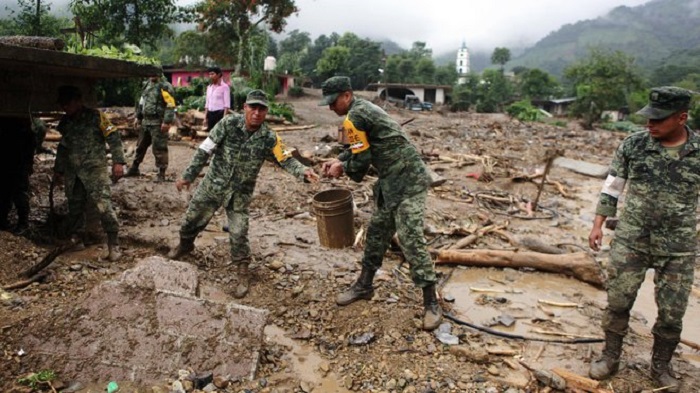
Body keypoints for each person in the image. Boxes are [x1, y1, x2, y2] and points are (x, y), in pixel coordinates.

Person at [588, 86, 696, 392]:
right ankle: (610, 356)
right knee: (618, 300)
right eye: (649, 117)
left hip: (678, 248)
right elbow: (612, 187)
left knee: (672, 312)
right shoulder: (633, 145)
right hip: (631, 239)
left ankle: (661, 366)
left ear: (681, 117)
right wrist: (597, 224)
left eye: (659, 119)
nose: (650, 123)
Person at [318, 76, 443, 331]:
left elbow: (361, 161)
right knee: (376, 233)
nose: (331, 108)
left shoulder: (354, 117)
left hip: (408, 182)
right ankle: (364, 285)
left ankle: (431, 302)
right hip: (390, 183)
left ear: (347, 96)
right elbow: (359, 148)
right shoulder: (361, 111)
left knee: (410, 238)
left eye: (333, 102)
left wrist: (342, 167)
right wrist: (340, 159)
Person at [168, 90, 319, 298]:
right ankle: (185, 245)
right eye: (253, 107)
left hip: (240, 192)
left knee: (239, 232)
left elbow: (285, 159)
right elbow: (205, 149)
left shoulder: (269, 137)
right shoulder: (228, 124)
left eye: (261, 109)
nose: (257, 113)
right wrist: (188, 176)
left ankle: (242, 271)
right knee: (191, 220)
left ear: (266, 112)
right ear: (245, 108)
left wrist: (303, 172)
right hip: (212, 185)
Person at [53, 85, 126, 261]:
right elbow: (63, 147)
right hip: (73, 171)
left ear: (78, 102)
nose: (65, 108)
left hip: (94, 168)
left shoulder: (96, 117)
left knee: (103, 205)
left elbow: (113, 137)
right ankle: (76, 238)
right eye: (63, 105)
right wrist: (58, 170)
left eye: (68, 104)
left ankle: (113, 243)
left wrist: (118, 161)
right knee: (75, 205)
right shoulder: (65, 123)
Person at [126, 72, 177, 182]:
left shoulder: (165, 86)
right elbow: (141, 102)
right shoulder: (146, 85)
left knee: (159, 148)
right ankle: (134, 168)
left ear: (159, 73)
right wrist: (138, 117)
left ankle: (161, 173)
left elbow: (170, 104)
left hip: (158, 122)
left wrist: (166, 121)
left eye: (155, 73)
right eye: (150, 72)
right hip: (146, 122)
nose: (152, 75)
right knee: (140, 146)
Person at [0, 117, 35, 234]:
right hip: (8, 162)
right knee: (6, 193)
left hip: (19, 163)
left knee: (19, 193)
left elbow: (30, 146)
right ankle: (4, 220)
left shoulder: (24, 128)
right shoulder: (23, 127)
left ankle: (23, 223)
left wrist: (28, 164)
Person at [204, 66, 231, 132]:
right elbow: (207, 103)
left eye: (212, 74)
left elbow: (227, 105)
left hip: (219, 114)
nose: (210, 76)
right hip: (210, 114)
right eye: (209, 74)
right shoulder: (209, 87)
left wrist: (223, 119)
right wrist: (205, 118)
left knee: (219, 133)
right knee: (211, 134)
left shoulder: (225, 87)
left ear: (218, 75)